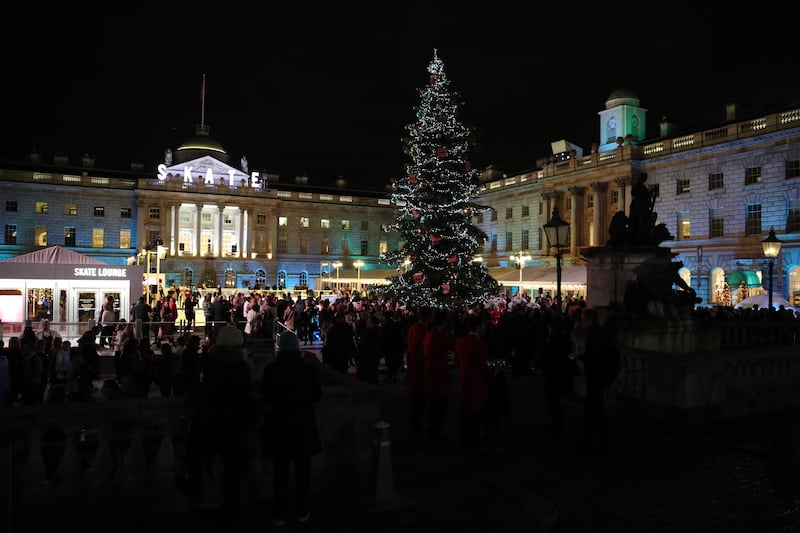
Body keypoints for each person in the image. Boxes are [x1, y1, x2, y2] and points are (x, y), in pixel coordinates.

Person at [178, 324, 255, 523]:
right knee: (232, 471)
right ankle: (230, 509)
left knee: (194, 450)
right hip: (233, 424)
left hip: (208, 418)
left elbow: (197, 388)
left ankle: (195, 487)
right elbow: (246, 396)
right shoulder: (241, 366)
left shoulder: (208, 361)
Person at [259, 330, 322, 525]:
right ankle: (302, 510)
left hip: (279, 425)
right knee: (303, 470)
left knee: (280, 472)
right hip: (302, 424)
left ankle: (279, 512)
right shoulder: (307, 369)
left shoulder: (272, 370)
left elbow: (264, 394)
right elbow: (317, 394)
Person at [577, 308, 619, 455]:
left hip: (596, 377)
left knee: (594, 411)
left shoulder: (595, 335)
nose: (582, 322)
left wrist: (584, 358)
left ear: (590, 320)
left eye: (584, 319)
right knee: (596, 411)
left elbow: (596, 358)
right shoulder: (600, 334)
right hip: (598, 377)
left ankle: (595, 441)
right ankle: (597, 441)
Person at [453, 315, 494, 455]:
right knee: (476, 415)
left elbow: (457, 362)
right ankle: (473, 445)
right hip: (477, 383)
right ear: (477, 327)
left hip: (465, 381)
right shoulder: (479, 344)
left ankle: (465, 442)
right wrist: (491, 373)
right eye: (482, 326)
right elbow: (483, 367)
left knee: (466, 414)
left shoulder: (461, 342)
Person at [423, 308, 455, 444]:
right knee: (438, 409)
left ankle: (434, 433)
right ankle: (436, 435)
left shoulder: (429, 335)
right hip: (438, 376)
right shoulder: (438, 336)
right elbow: (451, 344)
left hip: (432, 374)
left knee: (434, 409)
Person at [406, 306, 434, 433]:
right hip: (419, 367)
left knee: (415, 400)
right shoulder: (422, 329)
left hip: (413, 365)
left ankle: (415, 424)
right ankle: (416, 426)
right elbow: (422, 350)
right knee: (418, 400)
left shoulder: (413, 327)